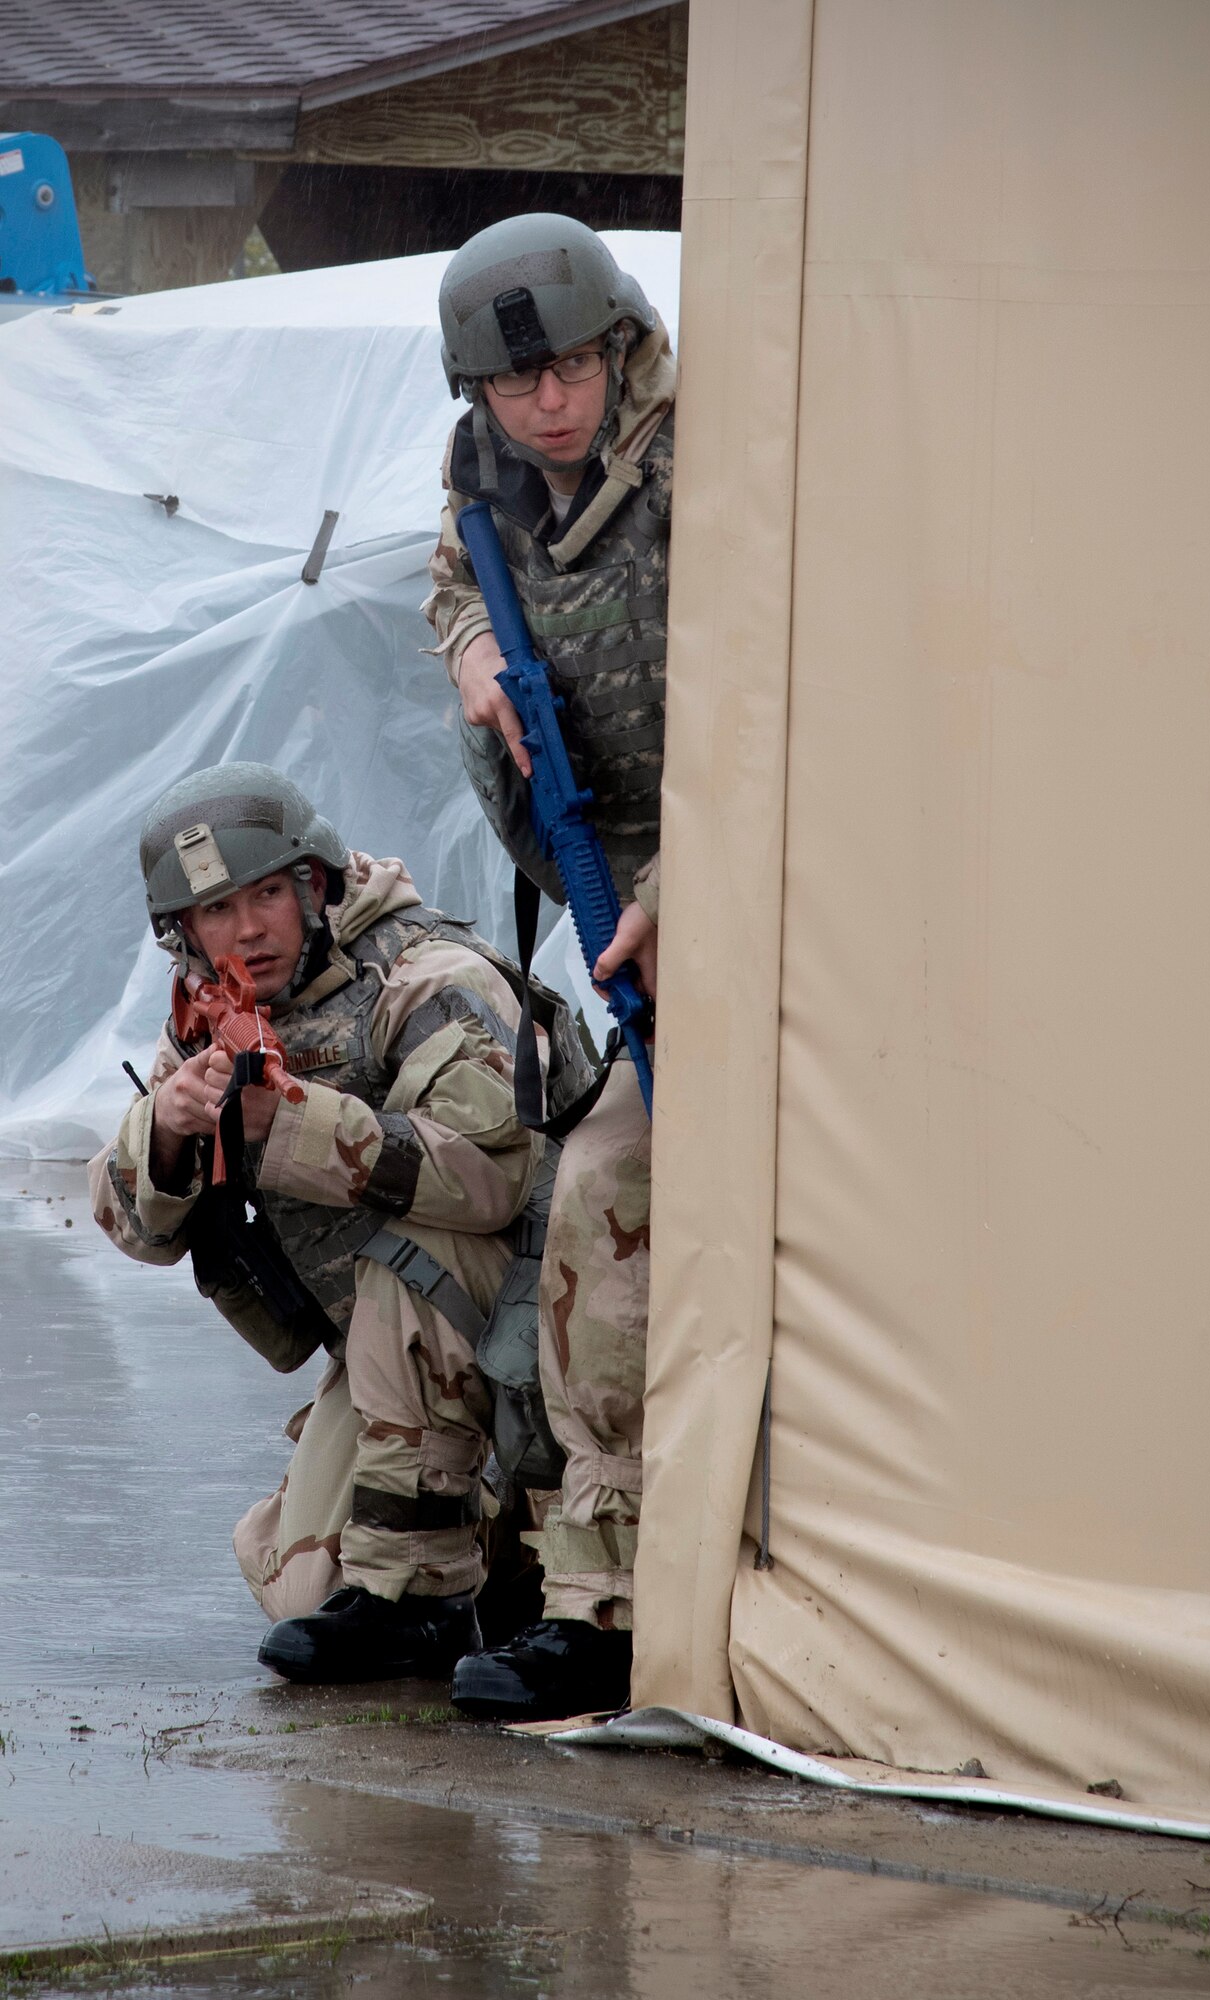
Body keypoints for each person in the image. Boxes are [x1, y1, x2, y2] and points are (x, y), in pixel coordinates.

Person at [89, 761, 587, 1685]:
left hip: (546, 1338)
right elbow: (132, 1229)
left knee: (418, 1248)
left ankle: (424, 1597)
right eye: (214, 912)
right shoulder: (213, 1011)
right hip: (396, 1359)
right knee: (306, 1592)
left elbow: (490, 1181)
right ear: (183, 932)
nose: (244, 929)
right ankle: (495, 1561)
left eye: (266, 894)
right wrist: (165, 1132)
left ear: (312, 885)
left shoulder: (427, 975)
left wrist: (289, 1125)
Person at [423, 214, 670, 1719]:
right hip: (618, 908)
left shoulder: (718, 462)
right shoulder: (482, 478)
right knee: (598, 1204)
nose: (551, 405)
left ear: (617, 343)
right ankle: (597, 1597)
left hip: (769, 878)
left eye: (571, 365)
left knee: (607, 1192)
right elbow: (453, 579)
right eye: (518, 386)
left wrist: (689, 873)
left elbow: (812, 685)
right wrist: (471, 658)